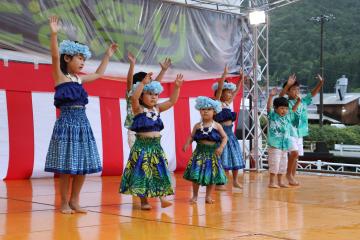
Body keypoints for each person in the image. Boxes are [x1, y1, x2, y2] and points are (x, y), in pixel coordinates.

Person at [44, 16, 118, 214]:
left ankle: (75, 200)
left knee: (82, 165)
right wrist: (53, 34)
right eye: (79, 58)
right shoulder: (60, 77)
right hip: (66, 124)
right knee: (67, 167)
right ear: (67, 58)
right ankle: (63, 202)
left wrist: (107, 56)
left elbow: (99, 74)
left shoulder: (80, 80)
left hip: (83, 124)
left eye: (84, 59)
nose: (83, 62)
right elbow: (53, 57)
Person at [120, 72, 184, 210]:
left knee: (159, 171)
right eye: (149, 94)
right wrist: (142, 84)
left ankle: (162, 198)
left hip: (156, 147)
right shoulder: (138, 109)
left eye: (156, 94)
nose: (154, 97)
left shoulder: (158, 109)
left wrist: (177, 88)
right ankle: (144, 201)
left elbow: (172, 101)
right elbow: (134, 98)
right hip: (141, 147)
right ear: (142, 96)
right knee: (142, 173)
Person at [279, 74, 324, 185]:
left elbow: (312, 94)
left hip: (300, 132)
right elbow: (280, 96)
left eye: (298, 89)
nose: (296, 91)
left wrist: (320, 83)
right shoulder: (286, 103)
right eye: (293, 89)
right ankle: (288, 175)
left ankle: (292, 177)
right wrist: (288, 85)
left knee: (296, 155)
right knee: (294, 153)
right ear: (288, 92)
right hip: (289, 131)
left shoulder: (303, 101)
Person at [183, 96, 228, 204]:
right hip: (199, 153)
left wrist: (221, 147)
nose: (206, 112)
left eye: (209, 109)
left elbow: (225, 137)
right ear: (199, 111)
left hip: (212, 154)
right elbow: (192, 136)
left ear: (214, 111)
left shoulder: (217, 126)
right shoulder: (197, 126)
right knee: (196, 175)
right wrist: (187, 143)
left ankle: (208, 196)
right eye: (203, 109)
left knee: (211, 176)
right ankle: (195, 196)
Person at [124, 53, 171, 148]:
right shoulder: (132, 94)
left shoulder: (148, 98)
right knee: (138, 159)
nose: (148, 85)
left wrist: (163, 70)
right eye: (145, 83)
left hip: (149, 131)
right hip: (135, 132)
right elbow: (129, 81)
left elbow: (156, 84)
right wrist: (132, 64)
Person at [212, 66, 245, 189]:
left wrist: (240, 80)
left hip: (231, 135)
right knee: (223, 159)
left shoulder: (227, 104)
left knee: (234, 158)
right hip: (221, 135)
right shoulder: (217, 104)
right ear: (220, 94)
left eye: (230, 93)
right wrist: (224, 75)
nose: (230, 94)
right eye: (228, 92)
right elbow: (220, 88)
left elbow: (236, 92)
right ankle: (220, 182)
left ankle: (235, 181)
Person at [267, 88, 300, 188]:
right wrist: (271, 96)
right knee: (275, 163)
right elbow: (268, 108)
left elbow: (293, 109)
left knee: (283, 164)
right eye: (281, 108)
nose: (284, 110)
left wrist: (298, 101)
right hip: (274, 145)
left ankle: (280, 181)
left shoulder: (287, 117)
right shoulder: (273, 116)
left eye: (285, 108)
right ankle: (272, 182)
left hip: (284, 145)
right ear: (276, 108)